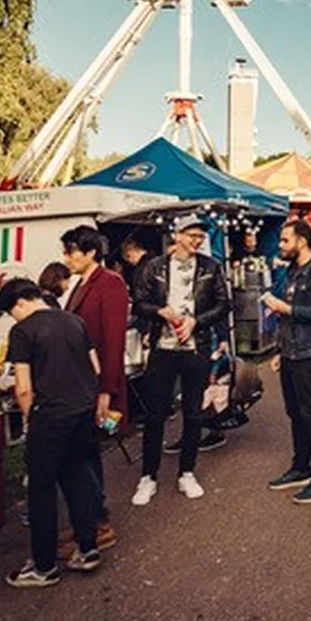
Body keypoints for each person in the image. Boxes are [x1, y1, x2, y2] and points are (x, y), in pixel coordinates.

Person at [0, 278, 105, 588]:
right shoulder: (74, 320)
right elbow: (95, 367)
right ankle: (88, 547)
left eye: (10, 312)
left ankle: (43, 565)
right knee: (78, 477)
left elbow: (23, 387)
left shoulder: (23, 331)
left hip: (49, 416)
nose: (13, 318)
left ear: (19, 303)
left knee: (41, 490)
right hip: (82, 409)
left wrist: (29, 419)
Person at [131, 214, 230, 507]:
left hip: (195, 348)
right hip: (163, 346)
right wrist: (160, 312)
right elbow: (139, 303)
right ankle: (148, 475)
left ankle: (187, 471)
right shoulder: (155, 266)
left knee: (193, 412)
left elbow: (224, 304)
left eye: (200, 237)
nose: (196, 241)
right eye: (192, 235)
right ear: (177, 235)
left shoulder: (211, 267)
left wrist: (196, 322)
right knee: (155, 412)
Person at [61, 225, 131, 543]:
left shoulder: (110, 284)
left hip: (97, 385)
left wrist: (108, 389)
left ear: (90, 252)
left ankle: (97, 522)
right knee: (83, 452)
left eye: (72, 251)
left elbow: (114, 342)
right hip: (79, 383)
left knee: (87, 453)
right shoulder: (80, 284)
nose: (67, 257)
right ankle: (89, 518)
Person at [265, 220, 311, 505]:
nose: (281, 246)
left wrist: (287, 308)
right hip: (291, 351)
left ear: (302, 241)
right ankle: (301, 467)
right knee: (295, 411)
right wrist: (279, 350)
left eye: (285, 241)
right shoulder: (293, 270)